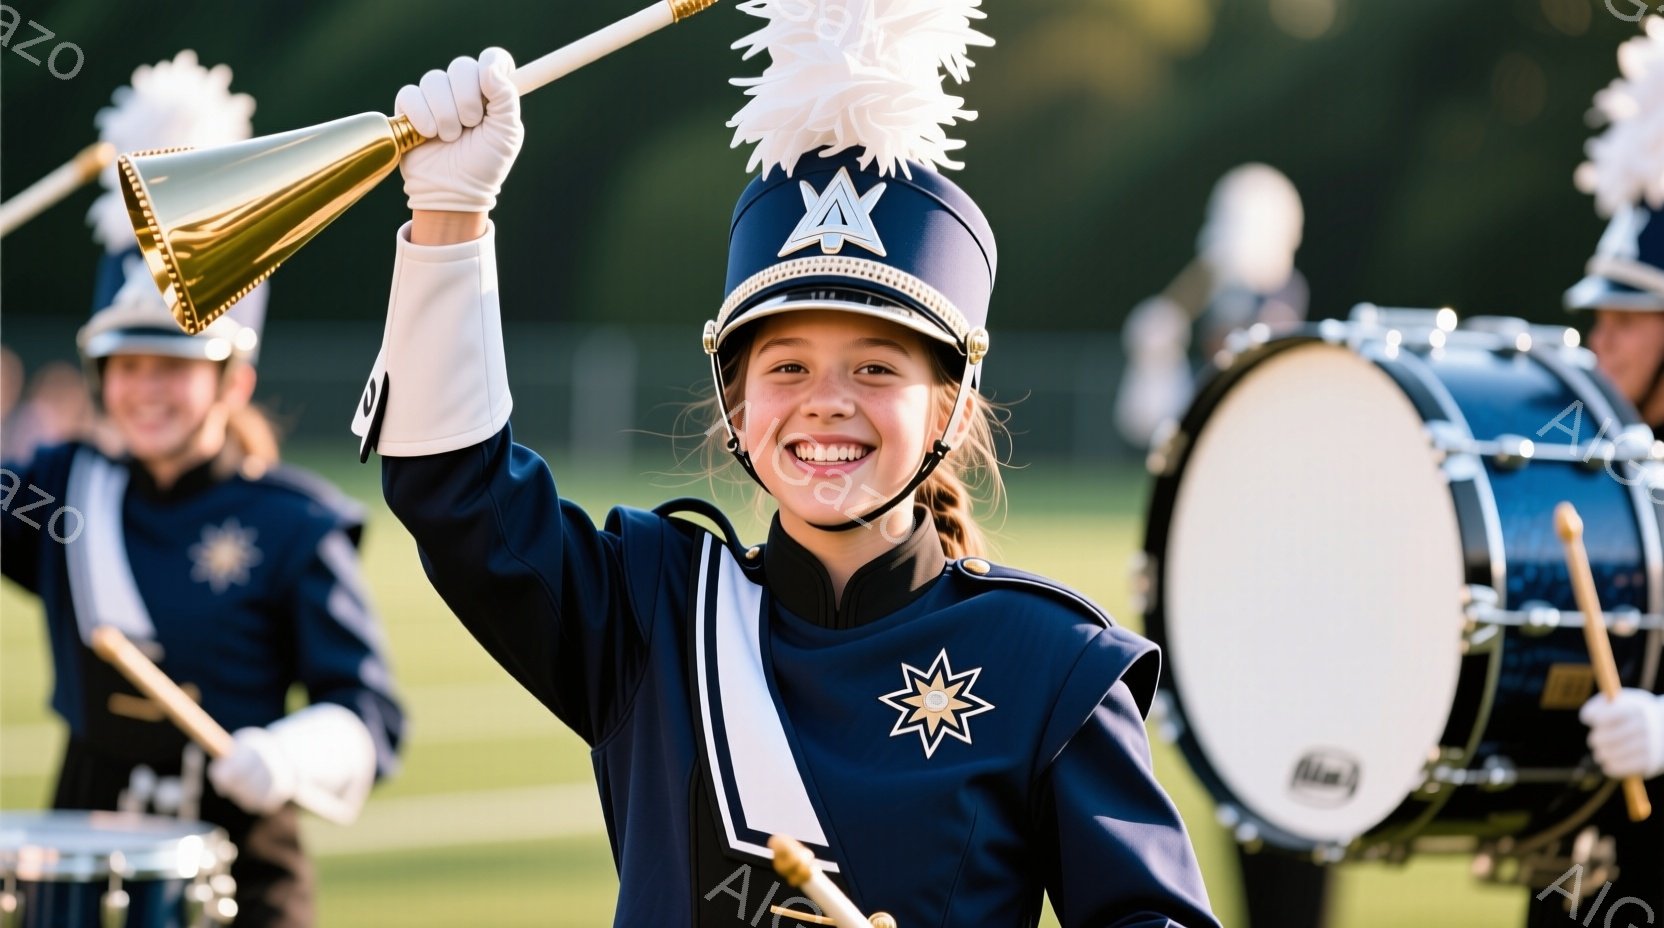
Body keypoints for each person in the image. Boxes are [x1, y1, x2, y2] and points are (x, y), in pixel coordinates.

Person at [350, 7, 1219, 925]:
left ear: (952, 403)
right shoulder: (652, 612)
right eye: (788, 365)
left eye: (877, 367)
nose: (827, 401)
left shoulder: (1052, 662)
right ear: (736, 400)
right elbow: (453, 492)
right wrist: (449, 217)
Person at [0, 52, 404, 928]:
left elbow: (370, 715)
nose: (146, 389)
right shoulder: (62, 489)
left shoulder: (294, 522)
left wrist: (287, 755)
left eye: (175, 368)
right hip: (76, 876)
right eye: (126, 365)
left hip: (239, 885)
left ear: (233, 384)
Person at [1531, 17, 1664, 925]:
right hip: (1579, 869)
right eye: (1598, 314)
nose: (1601, 336)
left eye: (1630, 315)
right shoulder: (1593, 463)